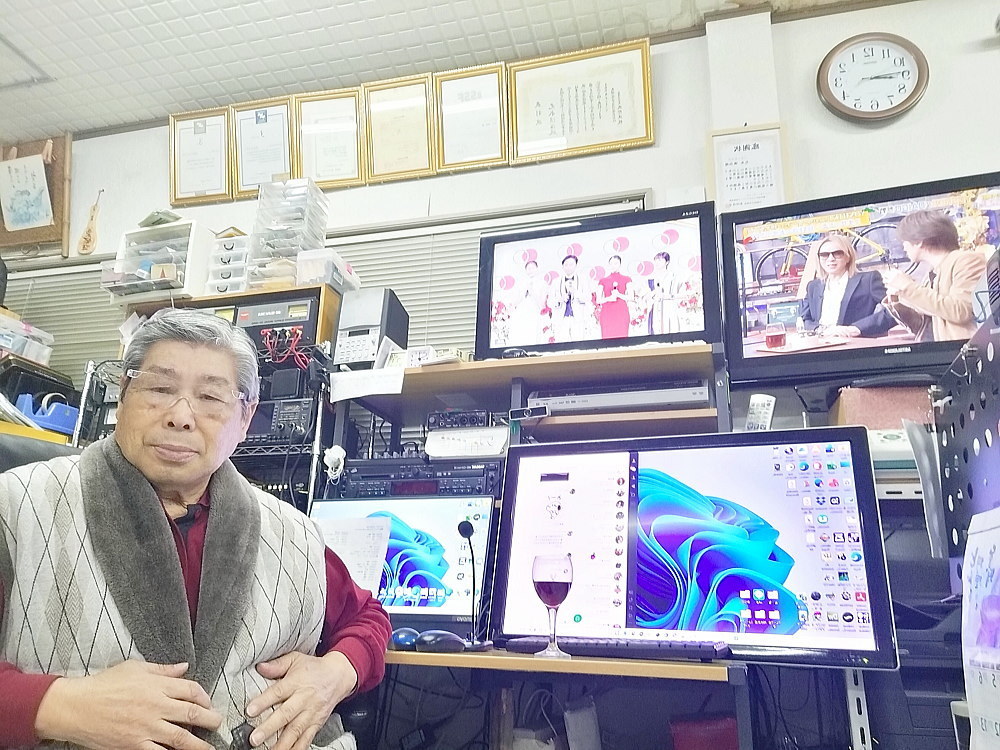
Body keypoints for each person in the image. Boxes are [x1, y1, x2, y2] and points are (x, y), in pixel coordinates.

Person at [0, 308, 391, 750]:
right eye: (160, 388)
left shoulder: (292, 533)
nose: (181, 416)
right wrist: (56, 706)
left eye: (210, 397)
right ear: (124, 393)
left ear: (245, 418)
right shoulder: (17, 506)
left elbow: (368, 618)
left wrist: (335, 674)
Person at [883, 209, 988, 342]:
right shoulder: (932, 272)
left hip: (963, 349)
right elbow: (924, 326)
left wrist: (908, 287)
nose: (904, 247)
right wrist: (899, 296)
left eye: (905, 241)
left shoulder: (967, 260)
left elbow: (960, 311)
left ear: (919, 241)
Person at [798, 234, 894, 338]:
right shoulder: (813, 286)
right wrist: (821, 330)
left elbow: (895, 310)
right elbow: (805, 319)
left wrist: (857, 328)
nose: (831, 259)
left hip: (855, 343)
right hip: (821, 342)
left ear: (848, 257)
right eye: (824, 255)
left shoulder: (868, 280)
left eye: (837, 253)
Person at [507, 260, 550, 346]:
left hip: (535, 312)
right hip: (522, 311)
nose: (530, 270)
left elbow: (542, 304)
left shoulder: (543, 283)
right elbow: (518, 299)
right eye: (528, 268)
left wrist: (532, 291)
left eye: (532, 268)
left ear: (537, 269)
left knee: (533, 335)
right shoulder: (522, 283)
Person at [551, 254, 593, 342]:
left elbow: (588, 298)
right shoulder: (556, 282)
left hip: (578, 317)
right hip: (561, 318)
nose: (568, 267)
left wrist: (576, 293)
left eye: (571, 264)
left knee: (578, 343)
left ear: (576, 265)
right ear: (562, 266)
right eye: (566, 265)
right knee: (562, 343)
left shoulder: (583, 280)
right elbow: (549, 302)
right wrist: (560, 299)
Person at [644, 252, 685, 334]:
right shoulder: (651, 278)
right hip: (655, 308)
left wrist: (666, 296)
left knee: (670, 329)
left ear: (667, 262)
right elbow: (645, 296)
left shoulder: (674, 277)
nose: (657, 262)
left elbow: (683, 294)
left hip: (669, 307)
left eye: (660, 260)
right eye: (656, 260)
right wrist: (652, 294)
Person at [596, 255, 632, 339]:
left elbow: (631, 297)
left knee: (622, 337)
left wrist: (619, 295)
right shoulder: (603, 281)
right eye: (611, 263)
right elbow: (598, 300)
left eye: (616, 263)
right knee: (607, 338)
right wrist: (609, 298)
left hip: (621, 312)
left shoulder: (627, 279)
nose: (613, 265)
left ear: (620, 264)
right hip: (607, 313)